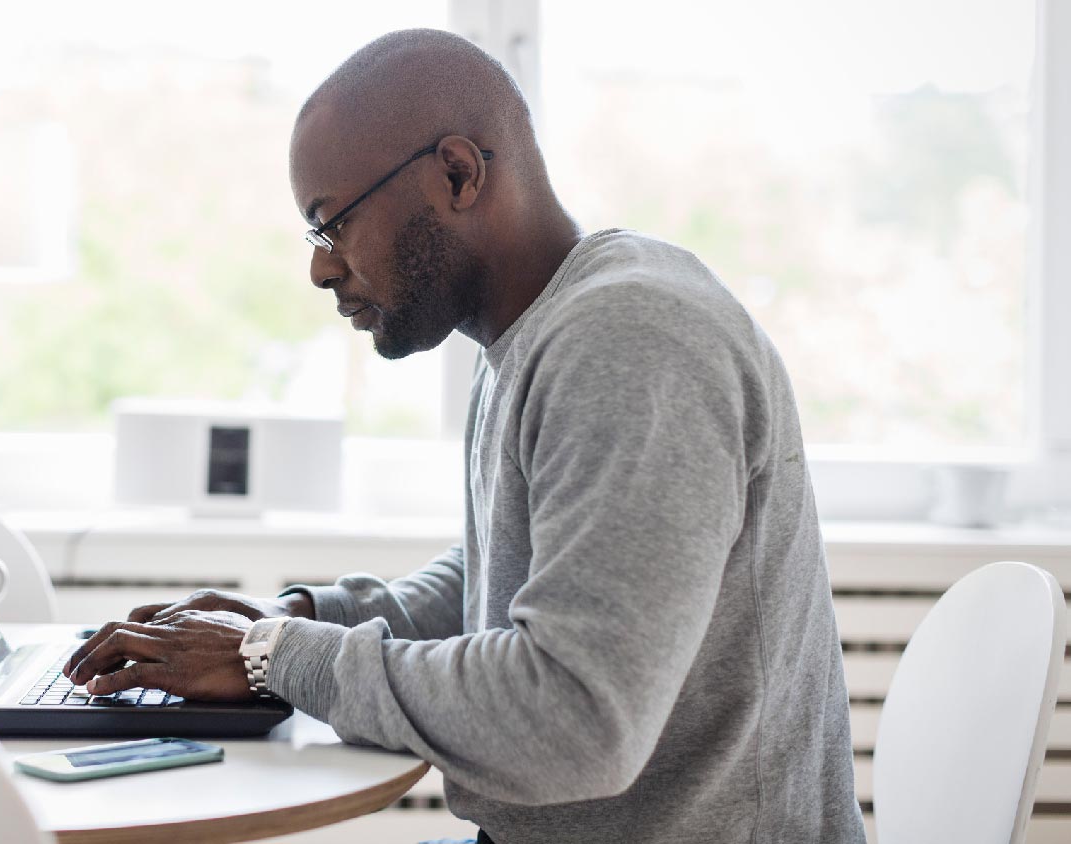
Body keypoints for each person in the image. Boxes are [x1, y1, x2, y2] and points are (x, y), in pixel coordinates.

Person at [65, 28, 866, 844]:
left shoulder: (631, 338)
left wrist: (280, 656)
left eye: (331, 223)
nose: (320, 268)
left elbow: (577, 722)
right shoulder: (534, 335)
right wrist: (298, 617)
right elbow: (508, 579)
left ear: (457, 173)